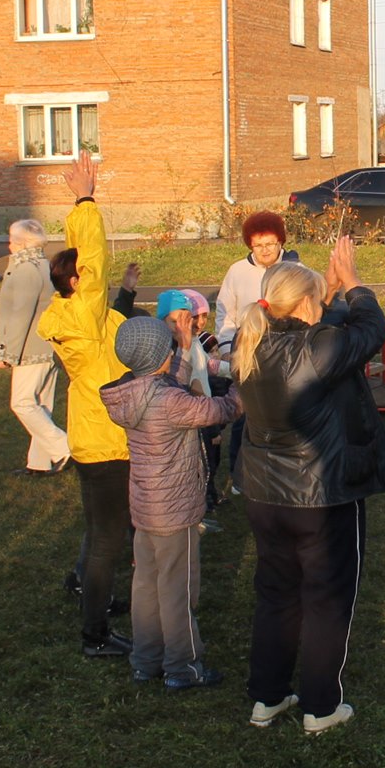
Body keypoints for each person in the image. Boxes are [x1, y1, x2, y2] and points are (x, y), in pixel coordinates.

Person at [232, 236, 385, 735]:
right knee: (327, 597)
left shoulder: (252, 341)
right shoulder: (316, 350)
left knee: (277, 593)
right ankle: (321, 706)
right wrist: (353, 283)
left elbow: (318, 334)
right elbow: (371, 330)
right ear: (304, 306)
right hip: (321, 497)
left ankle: (267, 697)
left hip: (265, 495)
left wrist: (324, 294)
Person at [101, 316, 242, 691]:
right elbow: (222, 410)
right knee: (178, 590)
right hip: (176, 512)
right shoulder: (172, 402)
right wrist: (243, 384)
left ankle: (146, 660)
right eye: (169, 348)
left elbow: (167, 383)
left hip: (145, 508)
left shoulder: (132, 392)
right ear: (159, 355)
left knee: (146, 585)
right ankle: (183, 665)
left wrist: (180, 347)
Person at [37, 151, 136, 658]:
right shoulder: (82, 316)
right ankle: (94, 634)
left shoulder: (78, 316)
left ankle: (99, 600)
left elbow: (87, 266)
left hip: (93, 435)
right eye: (88, 278)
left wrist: (78, 215)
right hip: (106, 441)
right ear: (77, 284)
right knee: (106, 542)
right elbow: (93, 261)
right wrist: (85, 200)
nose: (96, 278)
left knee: (104, 533)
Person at [213, 211, 301, 496]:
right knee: (245, 414)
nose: (265, 251)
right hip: (247, 350)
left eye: (270, 244)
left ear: (281, 242)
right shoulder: (237, 272)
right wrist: (226, 348)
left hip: (284, 350)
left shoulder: (295, 269)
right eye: (258, 245)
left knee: (283, 413)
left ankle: (283, 471)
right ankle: (241, 476)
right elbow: (226, 313)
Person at [0, 219, 70, 477]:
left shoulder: (25, 269)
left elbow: (19, 315)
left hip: (31, 348)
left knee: (23, 403)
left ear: (23, 243)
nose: (9, 245)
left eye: (12, 240)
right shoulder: (43, 265)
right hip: (47, 345)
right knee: (41, 405)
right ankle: (39, 462)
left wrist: (7, 353)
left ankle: (64, 448)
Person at [157, 288, 230, 521]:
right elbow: (178, 382)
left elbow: (208, 365)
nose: (182, 326)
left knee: (209, 461)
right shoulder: (169, 350)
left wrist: (233, 370)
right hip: (189, 416)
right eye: (175, 321)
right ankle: (200, 508)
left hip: (203, 410)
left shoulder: (194, 341)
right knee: (198, 465)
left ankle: (207, 501)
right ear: (162, 321)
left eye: (186, 319)